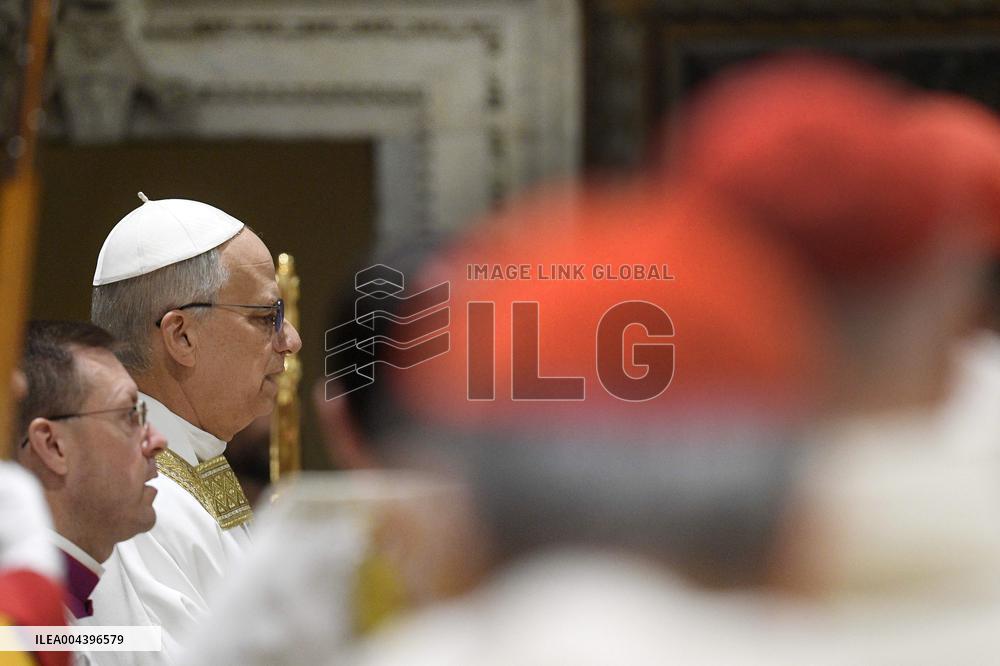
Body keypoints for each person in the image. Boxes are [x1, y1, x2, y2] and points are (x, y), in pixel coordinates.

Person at [87, 195, 302, 664]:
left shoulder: (192, 463)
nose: (290, 341)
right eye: (267, 318)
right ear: (181, 336)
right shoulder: (130, 500)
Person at [15, 321, 166, 625]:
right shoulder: (15, 625)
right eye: (129, 415)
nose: (157, 441)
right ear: (53, 445)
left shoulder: (76, 603)